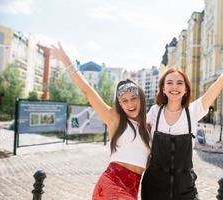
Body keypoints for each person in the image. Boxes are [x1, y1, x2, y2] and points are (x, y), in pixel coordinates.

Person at [141, 40, 223, 200]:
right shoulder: (154, 112)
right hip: (154, 189)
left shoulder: (193, 110)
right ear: (163, 89)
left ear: (186, 89)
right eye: (169, 83)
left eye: (179, 83)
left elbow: (221, 81)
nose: (174, 87)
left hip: (185, 190)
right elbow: (137, 138)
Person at [50, 43, 151, 200]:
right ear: (120, 104)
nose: (130, 104)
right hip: (112, 186)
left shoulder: (148, 128)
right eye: (124, 101)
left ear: (141, 98)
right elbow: (88, 91)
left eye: (133, 98)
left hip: (132, 191)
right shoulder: (115, 119)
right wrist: (66, 60)